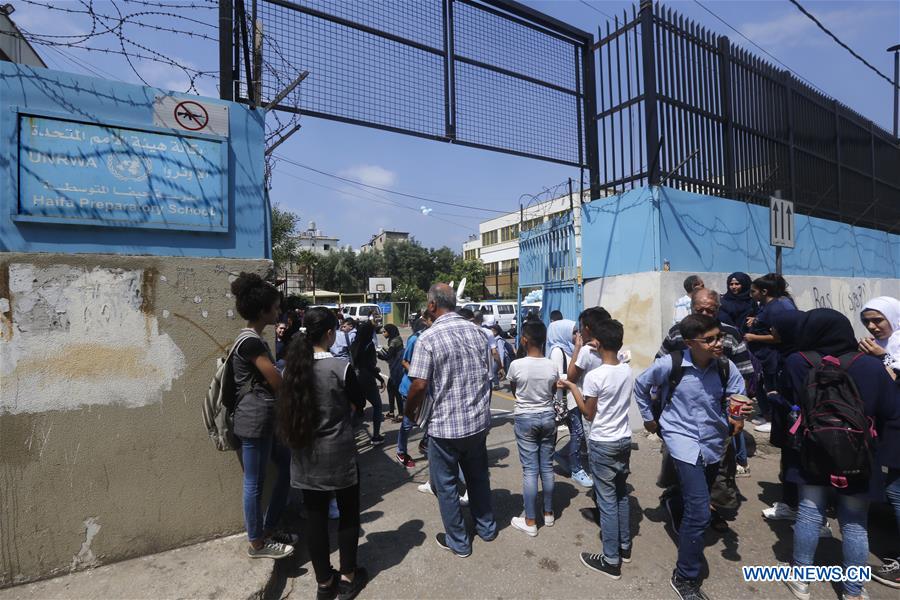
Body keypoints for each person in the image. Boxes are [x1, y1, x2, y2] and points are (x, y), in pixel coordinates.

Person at [776, 309, 898, 600]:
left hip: (812, 450)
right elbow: (891, 410)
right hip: (859, 454)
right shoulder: (870, 365)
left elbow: (789, 401)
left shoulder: (797, 361)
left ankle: (801, 579)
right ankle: (853, 590)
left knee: (809, 512)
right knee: (855, 523)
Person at [635, 314, 746, 600]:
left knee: (698, 494)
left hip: (713, 441)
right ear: (689, 343)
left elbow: (737, 392)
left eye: (719, 337)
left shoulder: (725, 366)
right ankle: (685, 577)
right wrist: (648, 419)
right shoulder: (669, 364)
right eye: (709, 340)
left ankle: (674, 503)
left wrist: (737, 414)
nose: (718, 343)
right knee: (699, 512)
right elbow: (640, 385)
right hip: (681, 439)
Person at [276, 307, 368, 600]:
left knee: (315, 519)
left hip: (304, 453)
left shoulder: (292, 368)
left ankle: (324, 583)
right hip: (339, 453)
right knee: (348, 514)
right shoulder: (340, 367)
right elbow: (359, 402)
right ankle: (348, 576)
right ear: (330, 334)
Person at [406, 284, 497, 558]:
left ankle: (458, 542)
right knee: (478, 477)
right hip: (476, 423)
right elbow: (488, 377)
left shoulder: (427, 339)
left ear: (432, 306)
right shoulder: (478, 333)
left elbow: (419, 384)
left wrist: (409, 412)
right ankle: (487, 528)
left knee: (446, 485)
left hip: (445, 428)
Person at [560, 319, 634, 580]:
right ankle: (624, 546)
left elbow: (588, 413)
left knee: (607, 500)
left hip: (603, 442)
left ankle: (611, 559)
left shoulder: (595, 376)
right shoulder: (626, 370)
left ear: (598, 343)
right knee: (621, 493)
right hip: (624, 439)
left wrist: (572, 387)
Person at [657, 288, 756, 477]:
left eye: (710, 310)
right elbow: (659, 366)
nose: (704, 314)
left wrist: (736, 413)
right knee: (678, 470)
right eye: (699, 310)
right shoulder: (677, 333)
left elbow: (743, 373)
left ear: (718, 309)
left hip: (717, 416)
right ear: (691, 307)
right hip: (680, 417)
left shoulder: (730, 334)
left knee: (718, 473)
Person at [229, 272, 293, 560]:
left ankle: (269, 528)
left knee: (285, 465)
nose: (278, 312)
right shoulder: (250, 342)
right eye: (275, 307)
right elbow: (276, 381)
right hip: (254, 420)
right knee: (254, 483)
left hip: (264, 419)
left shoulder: (253, 339)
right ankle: (257, 542)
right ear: (262, 310)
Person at [507, 320, 558, 537]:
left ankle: (530, 520)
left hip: (525, 417)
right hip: (548, 416)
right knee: (546, 466)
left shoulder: (516, 365)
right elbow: (553, 390)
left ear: (524, 340)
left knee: (530, 470)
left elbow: (514, 389)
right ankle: (548, 513)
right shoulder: (552, 365)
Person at [565, 307, 614, 490]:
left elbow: (571, 376)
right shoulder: (613, 348)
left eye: (580, 328)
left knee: (594, 449)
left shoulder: (587, 351)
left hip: (590, 407)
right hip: (610, 406)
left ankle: (601, 493)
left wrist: (577, 348)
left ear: (587, 328)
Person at [744, 273, 798, 433]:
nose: (751, 295)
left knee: (772, 387)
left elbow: (777, 337)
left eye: (753, 291)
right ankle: (768, 415)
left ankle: (775, 420)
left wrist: (753, 337)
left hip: (772, 356)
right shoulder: (766, 306)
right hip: (763, 356)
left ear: (764, 292)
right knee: (763, 385)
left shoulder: (777, 308)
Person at [547, 317, 588, 484]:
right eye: (573, 332)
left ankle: (563, 455)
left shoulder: (568, 348)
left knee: (579, 434)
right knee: (578, 433)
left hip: (574, 397)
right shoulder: (557, 351)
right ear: (562, 333)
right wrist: (578, 349)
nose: (577, 335)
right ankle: (576, 469)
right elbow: (557, 377)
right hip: (567, 399)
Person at [396, 316, 431, 468]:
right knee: (407, 423)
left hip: (427, 390)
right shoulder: (415, 340)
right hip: (411, 388)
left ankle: (425, 442)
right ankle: (401, 451)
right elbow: (404, 361)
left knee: (431, 420)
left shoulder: (433, 338)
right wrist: (418, 375)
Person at [351, 320, 385, 445]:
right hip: (367, 379)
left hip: (355, 378)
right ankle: (376, 436)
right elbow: (369, 366)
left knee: (354, 407)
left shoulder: (354, 344)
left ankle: (351, 437)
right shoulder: (369, 345)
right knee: (377, 406)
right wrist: (381, 378)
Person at [859, 296, 900, 376]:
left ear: (894, 318)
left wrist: (883, 356)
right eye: (865, 321)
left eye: (877, 320)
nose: (870, 326)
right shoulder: (872, 345)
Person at [380, 324, 405, 421]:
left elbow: (389, 355)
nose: (383, 333)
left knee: (397, 391)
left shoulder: (395, 341)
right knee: (390, 389)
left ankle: (401, 414)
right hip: (394, 367)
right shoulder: (394, 338)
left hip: (397, 369)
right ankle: (391, 412)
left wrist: (379, 355)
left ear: (390, 332)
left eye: (384, 332)